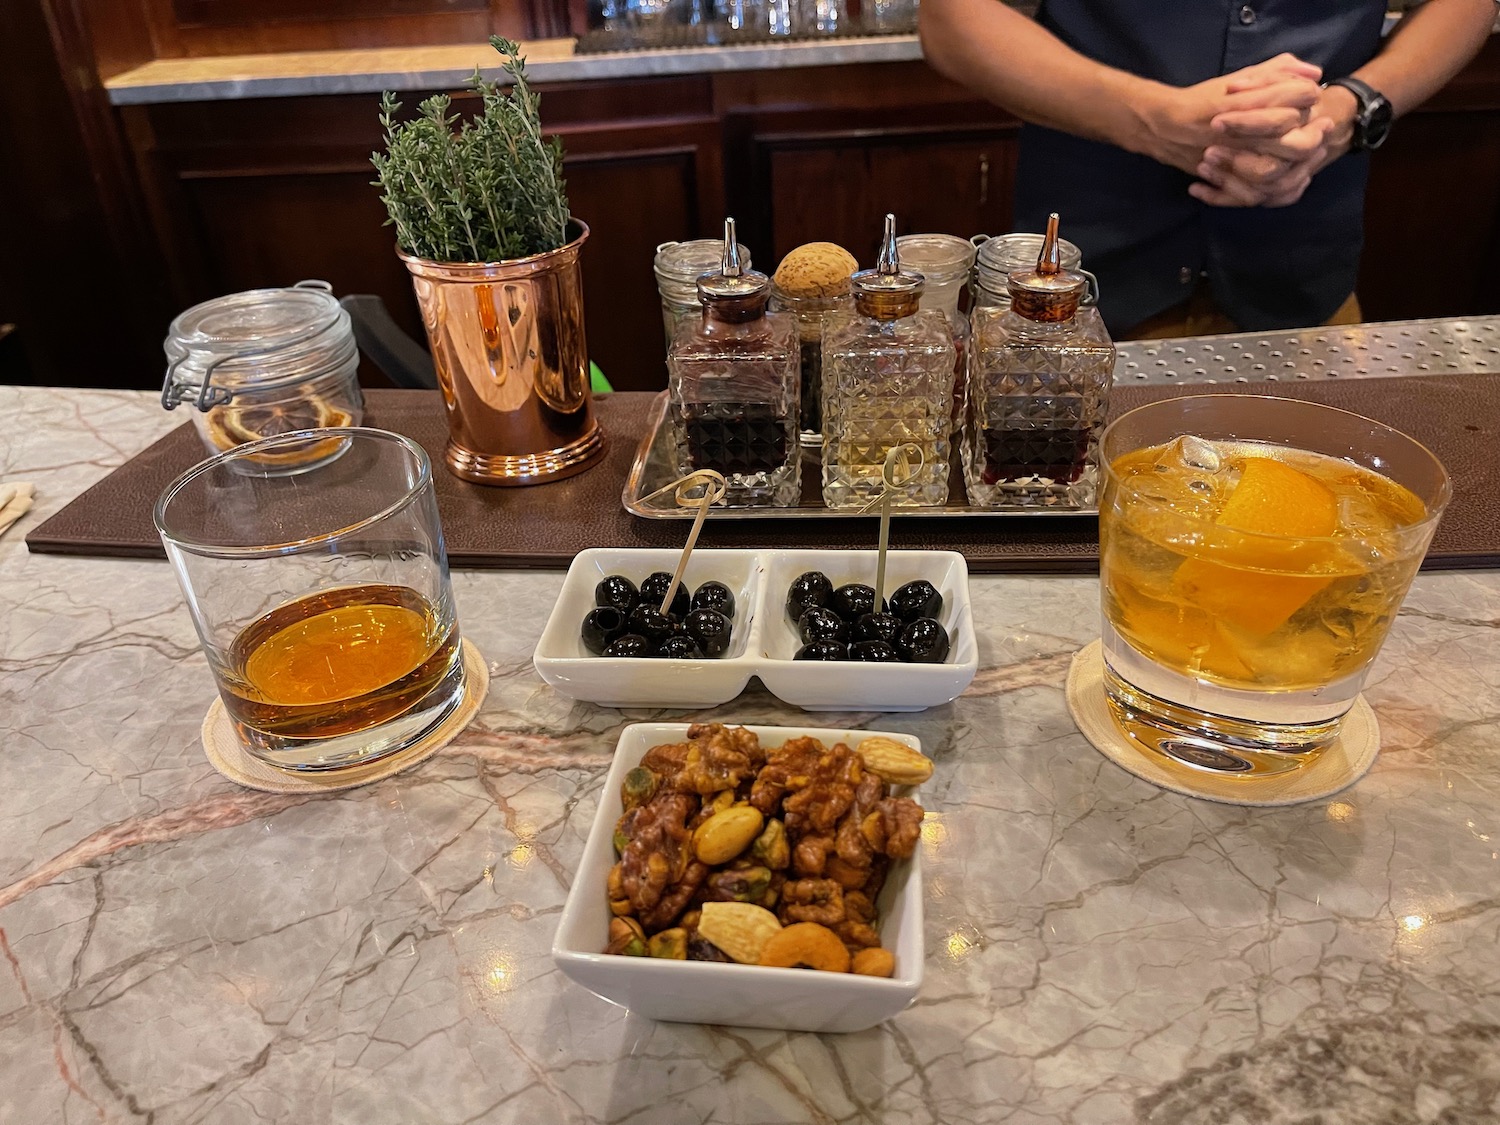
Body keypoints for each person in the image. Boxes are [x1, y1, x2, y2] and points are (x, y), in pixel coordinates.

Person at [918, 0, 1495, 336]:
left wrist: (1348, 112)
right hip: (1079, 304)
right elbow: (951, 18)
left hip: (1310, 290)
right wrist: (1155, 119)